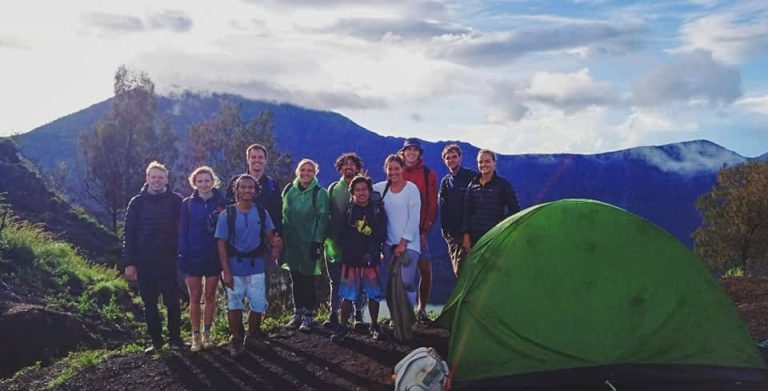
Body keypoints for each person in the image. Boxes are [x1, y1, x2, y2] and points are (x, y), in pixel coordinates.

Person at [215, 174, 282, 357]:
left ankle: (252, 336)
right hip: (234, 265)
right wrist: (225, 271)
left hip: (257, 266)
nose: (247, 190)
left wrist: (276, 246)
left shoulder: (261, 212)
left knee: (258, 303)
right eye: (243, 187)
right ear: (236, 190)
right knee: (234, 304)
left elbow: (271, 236)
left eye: (251, 187)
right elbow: (221, 244)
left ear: (256, 191)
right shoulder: (227, 214)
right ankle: (236, 339)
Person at [122, 161, 184, 353]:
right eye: (153, 177)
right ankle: (156, 342)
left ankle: (175, 340)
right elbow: (129, 233)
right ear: (147, 179)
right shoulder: (137, 202)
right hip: (144, 261)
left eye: (161, 177)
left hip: (169, 260)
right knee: (149, 303)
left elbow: (185, 228)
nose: (157, 181)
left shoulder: (176, 200)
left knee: (172, 301)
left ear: (167, 179)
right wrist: (129, 263)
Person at [332, 175, 387, 341]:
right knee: (347, 295)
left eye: (364, 189)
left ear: (369, 191)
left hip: (371, 259)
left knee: (373, 294)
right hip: (351, 260)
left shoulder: (377, 210)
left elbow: (383, 233)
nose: (361, 193)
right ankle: (343, 326)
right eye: (358, 190)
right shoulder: (348, 211)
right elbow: (339, 235)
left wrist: (371, 246)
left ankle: (375, 325)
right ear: (352, 193)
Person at [177, 166, 226, 352]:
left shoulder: (222, 203)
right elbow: (182, 230)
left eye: (207, 180)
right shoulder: (187, 204)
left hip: (214, 255)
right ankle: (195, 336)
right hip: (193, 255)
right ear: (194, 183)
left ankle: (208, 335)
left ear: (213, 182)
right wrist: (182, 253)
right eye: (200, 181)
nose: (204, 184)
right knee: (195, 297)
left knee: (210, 296)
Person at [282, 159, 330, 332]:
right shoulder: (289, 190)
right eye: (303, 170)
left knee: (308, 280)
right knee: (295, 279)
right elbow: (283, 215)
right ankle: (297, 313)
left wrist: (317, 242)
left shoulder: (320, 193)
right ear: (298, 171)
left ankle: (308, 316)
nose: (306, 173)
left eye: (310, 170)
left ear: (315, 173)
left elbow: (323, 219)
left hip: (310, 242)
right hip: (292, 243)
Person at [324, 152, 367, 329]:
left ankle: (357, 315)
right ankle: (334, 314)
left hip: (357, 244)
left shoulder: (364, 188)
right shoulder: (333, 188)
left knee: (357, 280)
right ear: (340, 167)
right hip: (334, 243)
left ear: (357, 168)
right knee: (335, 281)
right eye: (345, 164)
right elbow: (326, 214)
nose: (348, 167)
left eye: (352, 164)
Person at [373, 155, 421, 309]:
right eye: (390, 169)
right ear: (386, 170)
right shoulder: (381, 188)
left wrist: (404, 242)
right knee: (393, 284)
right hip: (389, 245)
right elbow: (362, 189)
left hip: (410, 244)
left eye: (396, 168)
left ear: (402, 169)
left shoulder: (411, 189)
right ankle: (396, 318)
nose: (393, 172)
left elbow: (414, 217)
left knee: (407, 281)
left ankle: (409, 316)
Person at [398, 138, 438, 323]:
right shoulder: (397, 170)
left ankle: (421, 309)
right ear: (403, 152)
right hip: (398, 232)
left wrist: (425, 231)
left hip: (419, 232)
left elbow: (431, 205)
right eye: (408, 150)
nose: (411, 153)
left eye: (415, 150)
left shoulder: (428, 174)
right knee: (401, 273)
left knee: (425, 269)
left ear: (419, 153)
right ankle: (402, 311)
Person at [462, 149, 520, 252]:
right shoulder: (472, 185)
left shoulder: (503, 185)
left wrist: (501, 222)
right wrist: (466, 236)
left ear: (494, 162)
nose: (483, 164)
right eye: (480, 162)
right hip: (475, 238)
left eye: (487, 161)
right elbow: (466, 212)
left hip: (495, 236)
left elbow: (515, 209)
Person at [226, 143, 283, 234]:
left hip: (266, 238)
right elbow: (228, 209)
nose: (257, 160)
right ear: (248, 160)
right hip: (238, 237)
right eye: (253, 157)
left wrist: (277, 236)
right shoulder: (236, 182)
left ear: (265, 160)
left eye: (260, 157)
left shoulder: (272, 185)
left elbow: (278, 214)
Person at [438, 144, 477, 277]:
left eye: (454, 157)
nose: (451, 160)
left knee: (464, 271)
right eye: (448, 158)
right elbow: (442, 206)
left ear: (460, 158)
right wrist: (445, 232)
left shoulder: (471, 177)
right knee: (459, 271)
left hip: (470, 233)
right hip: (452, 236)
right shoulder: (445, 182)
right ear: (444, 161)